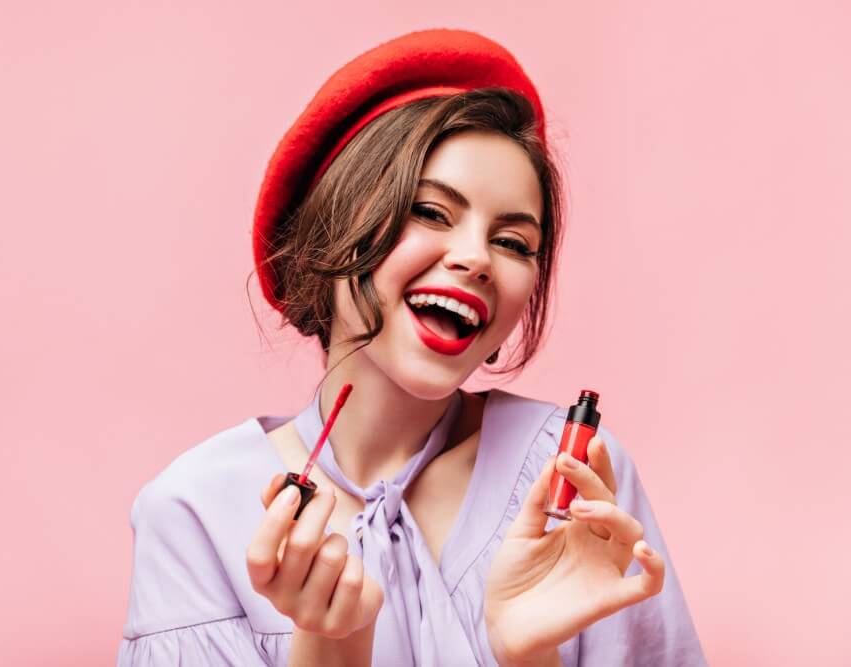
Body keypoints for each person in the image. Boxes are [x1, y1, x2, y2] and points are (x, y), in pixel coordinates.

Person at [116, 28, 707, 666]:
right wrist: (330, 647)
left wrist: (529, 657)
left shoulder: (572, 478)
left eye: (513, 243)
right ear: (333, 226)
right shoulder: (194, 512)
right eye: (429, 212)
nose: (477, 258)